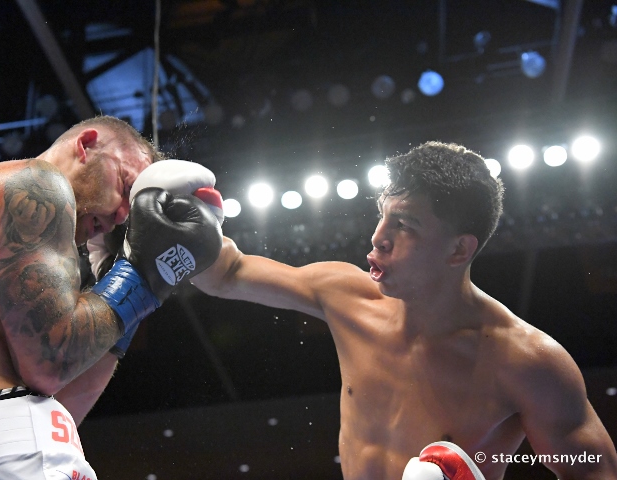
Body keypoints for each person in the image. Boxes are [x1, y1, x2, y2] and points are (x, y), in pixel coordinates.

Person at [191, 141, 617, 480]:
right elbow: (226, 273)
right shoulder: (344, 295)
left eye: (405, 225)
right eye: (383, 216)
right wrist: (183, 220)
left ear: (458, 249)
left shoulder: (526, 362)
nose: (378, 238)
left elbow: (593, 470)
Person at [0, 115, 223, 479]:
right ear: (86, 145)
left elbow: (60, 405)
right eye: (125, 184)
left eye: (130, 213)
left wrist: (126, 288)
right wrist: (141, 275)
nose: (120, 215)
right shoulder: (37, 182)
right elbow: (51, 365)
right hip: (9, 463)